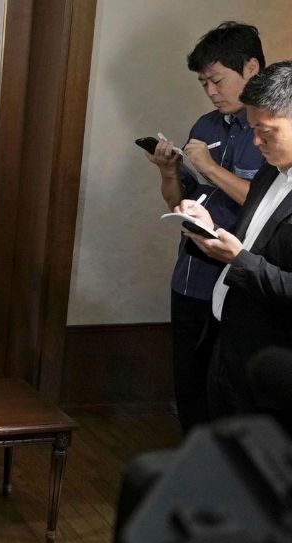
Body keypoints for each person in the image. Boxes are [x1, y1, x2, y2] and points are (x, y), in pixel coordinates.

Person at [143, 21, 265, 432]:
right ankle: (191, 465)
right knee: (189, 383)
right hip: (191, 276)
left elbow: (269, 202)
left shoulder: (272, 131)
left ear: (251, 68)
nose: (211, 92)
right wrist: (168, 172)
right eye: (203, 84)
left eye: (217, 80)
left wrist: (211, 168)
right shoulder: (206, 126)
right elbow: (182, 200)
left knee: (227, 390)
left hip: (238, 281)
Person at [175, 60, 292, 418]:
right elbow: (250, 241)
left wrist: (238, 258)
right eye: (253, 128)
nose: (256, 142)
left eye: (266, 131)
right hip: (226, 342)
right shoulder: (270, 172)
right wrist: (210, 230)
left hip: (271, 366)